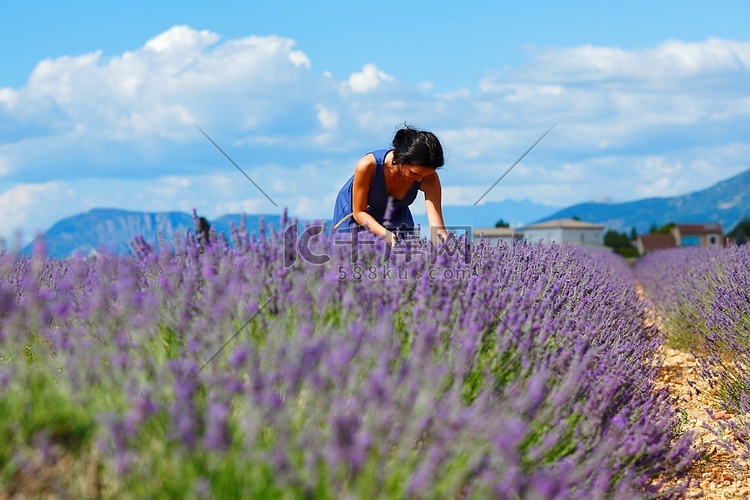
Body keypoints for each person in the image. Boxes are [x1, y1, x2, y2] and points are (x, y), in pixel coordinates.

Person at [332, 125, 448, 246]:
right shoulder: (368, 165)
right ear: (402, 160)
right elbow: (359, 212)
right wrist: (385, 234)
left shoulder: (429, 177)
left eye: (425, 175)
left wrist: (448, 247)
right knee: (351, 257)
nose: (419, 179)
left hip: (395, 216)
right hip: (356, 214)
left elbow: (437, 228)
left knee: (403, 258)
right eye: (414, 173)